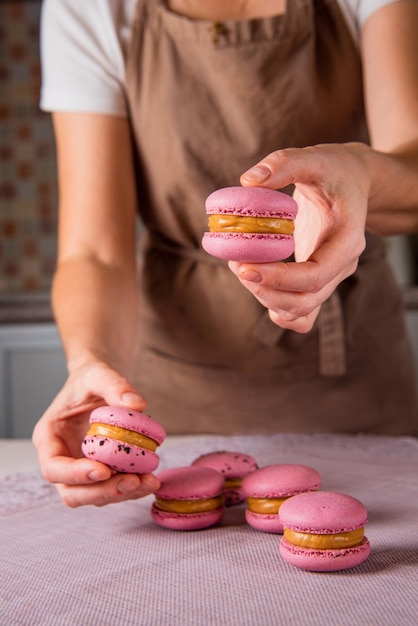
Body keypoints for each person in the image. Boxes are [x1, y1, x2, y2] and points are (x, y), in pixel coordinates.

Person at [33, 0, 418, 507]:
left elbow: (411, 174)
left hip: (356, 373)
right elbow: (95, 252)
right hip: (178, 387)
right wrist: (89, 362)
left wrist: (361, 175)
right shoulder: (87, 8)